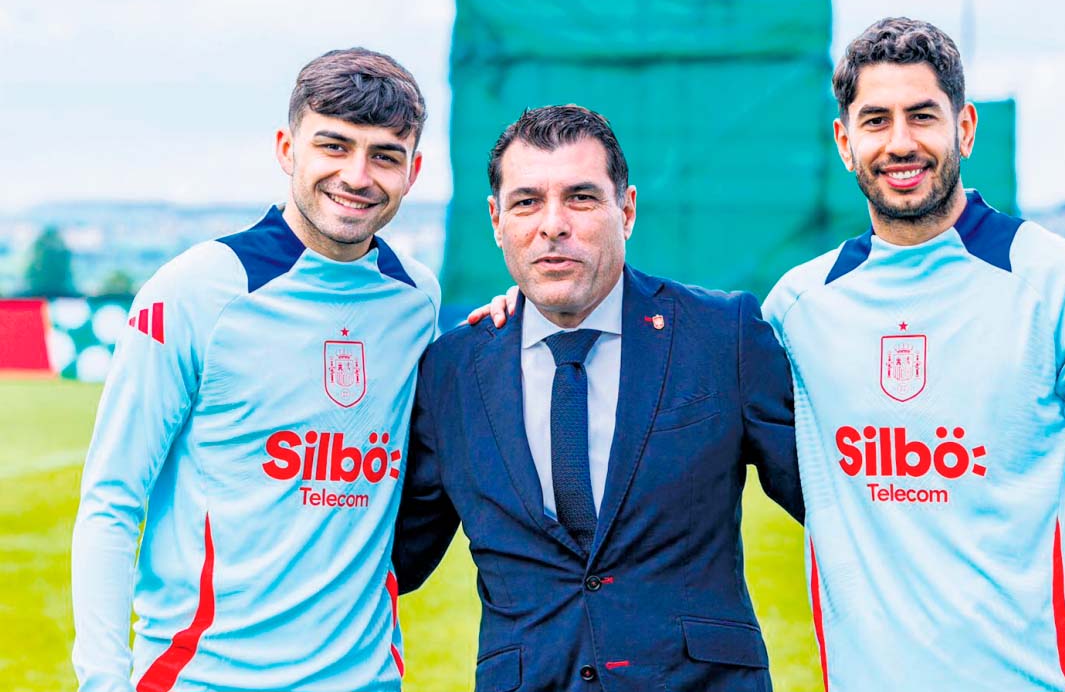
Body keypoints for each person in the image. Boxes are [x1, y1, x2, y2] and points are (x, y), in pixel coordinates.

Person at [762, 17, 1065, 691]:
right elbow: (670, 360)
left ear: (966, 128)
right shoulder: (797, 308)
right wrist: (523, 313)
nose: (900, 143)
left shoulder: (1063, 286)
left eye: (923, 116)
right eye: (875, 121)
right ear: (843, 141)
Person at [393, 105, 805, 690]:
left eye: (581, 198)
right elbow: (394, 558)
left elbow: (837, 502)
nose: (553, 224)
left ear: (627, 209)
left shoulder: (723, 335)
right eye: (527, 201)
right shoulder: (452, 371)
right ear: (496, 219)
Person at [71, 48, 439, 691]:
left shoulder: (418, 302)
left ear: (413, 171)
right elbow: (111, 500)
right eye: (334, 145)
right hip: (204, 678)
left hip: (368, 679)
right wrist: (102, 681)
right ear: (286, 148)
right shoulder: (193, 292)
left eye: (384, 154)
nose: (357, 175)